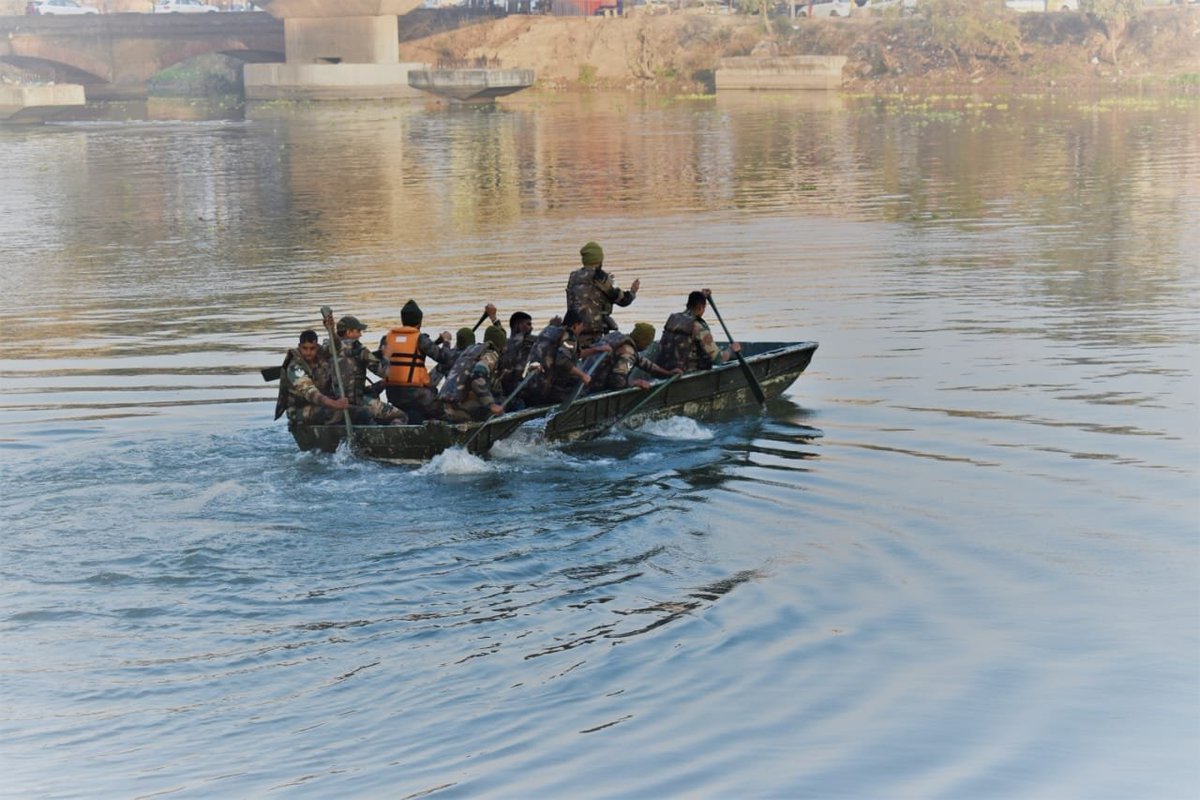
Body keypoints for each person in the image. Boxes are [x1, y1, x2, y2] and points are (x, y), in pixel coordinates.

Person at [277, 330, 404, 426]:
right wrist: (334, 404)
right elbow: (310, 393)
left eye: (312, 348)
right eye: (305, 349)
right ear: (299, 347)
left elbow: (336, 346)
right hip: (300, 410)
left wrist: (330, 328)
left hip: (325, 403)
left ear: (317, 347)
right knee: (354, 413)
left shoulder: (322, 355)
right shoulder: (295, 367)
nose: (309, 352)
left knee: (364, 411)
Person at [380, 299, 451, 423]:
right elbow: (444, 358)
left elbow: (408, 353)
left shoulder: (386, 339)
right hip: (416, 395)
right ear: (419, 322)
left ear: (402, 320)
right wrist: (446, 341)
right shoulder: (420, 339)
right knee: (445, 410)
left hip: (393, 394)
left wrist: (436, 341)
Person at [565, 241, 639, 348]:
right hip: (594, 331)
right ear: (599, 260)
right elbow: (623, 300)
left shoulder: (573, 276)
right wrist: (633, 291)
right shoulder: (600, 277)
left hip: (574, 329)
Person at [522, 309, 599, 406]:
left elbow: (575, 354)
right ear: (575, 325)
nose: (582, 329)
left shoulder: (550, 330)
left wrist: (596, 350)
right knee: (584, 388)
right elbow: (562, 361)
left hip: (530, 385)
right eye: (581, 326)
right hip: (547, 390)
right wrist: (583, 375)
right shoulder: (569, 336)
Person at [655, 289, 741, 373]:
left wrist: (702, 296)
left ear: (687, 305)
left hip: (664, 368)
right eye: (704, 308)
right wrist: (731, 350)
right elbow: (718, 359)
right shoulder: (698, 328)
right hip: (686, 371)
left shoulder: (673, 318)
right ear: (700, 308)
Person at [439, 325, 508, 423]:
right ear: (500, 345)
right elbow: (477, 376)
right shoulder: (490, 355)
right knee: (500, 406)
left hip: (445, 407)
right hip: (461, 410)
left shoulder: (472, 350)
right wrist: (491, 404)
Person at [588, 324, 679, 392]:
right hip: (594, 388)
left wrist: (667, 373)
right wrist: (635, 383)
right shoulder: (628, 352)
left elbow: (642, 362)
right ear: (644, 342)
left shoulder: (617, 337)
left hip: (586, 380)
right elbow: (617, 382)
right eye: (647, 343)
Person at [496, 311, 535, 398]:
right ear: (519, 325)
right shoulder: (526, 341)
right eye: (528, 324)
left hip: (505, 387)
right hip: (517, 388)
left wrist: (494, 318)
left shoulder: (503, 342)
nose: (531, 328)